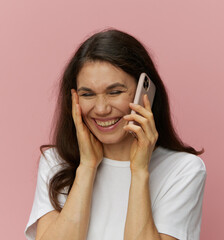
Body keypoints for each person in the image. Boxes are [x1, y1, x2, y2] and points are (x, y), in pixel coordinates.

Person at [24, 28, 207, 240]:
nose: (101, 109)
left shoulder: (183, 170)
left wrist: (139, 171)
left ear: (144, 93)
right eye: (87, 94)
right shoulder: (56, 162)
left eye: (115, 92)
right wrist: (87, 167)